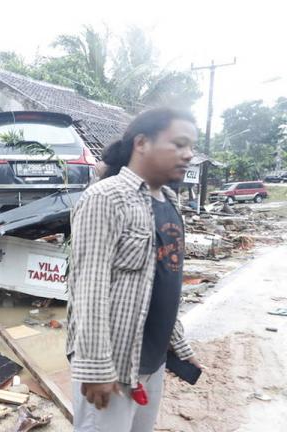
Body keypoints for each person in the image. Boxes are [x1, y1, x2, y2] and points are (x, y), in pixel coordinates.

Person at [67, 108, 203, 431]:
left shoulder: (169, 202)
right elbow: (88, 288)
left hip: (150, 363)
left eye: (191, 147)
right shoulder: (105, 198)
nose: (188, 155)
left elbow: (163, 283)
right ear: (142, 143)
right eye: (179, 144)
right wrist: (96, 368)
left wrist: (179, 347)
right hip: (111, 368)